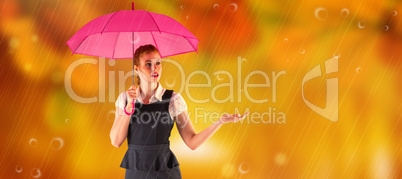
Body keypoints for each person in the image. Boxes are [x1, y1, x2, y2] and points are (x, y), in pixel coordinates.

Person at [109, 44, 249, 179]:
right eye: (148, 64)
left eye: (158, 63)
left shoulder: (173, 99)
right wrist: (129, 108)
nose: (154, 68)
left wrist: (220, 121)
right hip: (135, 173)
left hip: (165, 174)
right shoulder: (124, 99)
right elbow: (116, 141)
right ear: (136, 69)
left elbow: (192, 142)